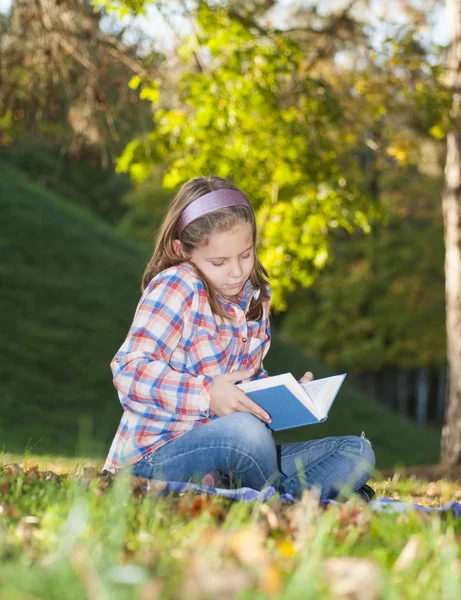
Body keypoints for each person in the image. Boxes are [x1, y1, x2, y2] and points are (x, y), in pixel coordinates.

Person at [103, 176, 375, 501]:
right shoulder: (178, 285)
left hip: (232, 460)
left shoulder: (254, 299)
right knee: (246, 432)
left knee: (356, 450)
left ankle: (268, 498)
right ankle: (301, 500)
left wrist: (285, 395)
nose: (236, 272)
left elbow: (245, 381)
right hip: (154, 459)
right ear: (181, 250)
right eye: (219, 262)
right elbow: (128, 369)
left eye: (245, 255)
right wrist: (207, 394)